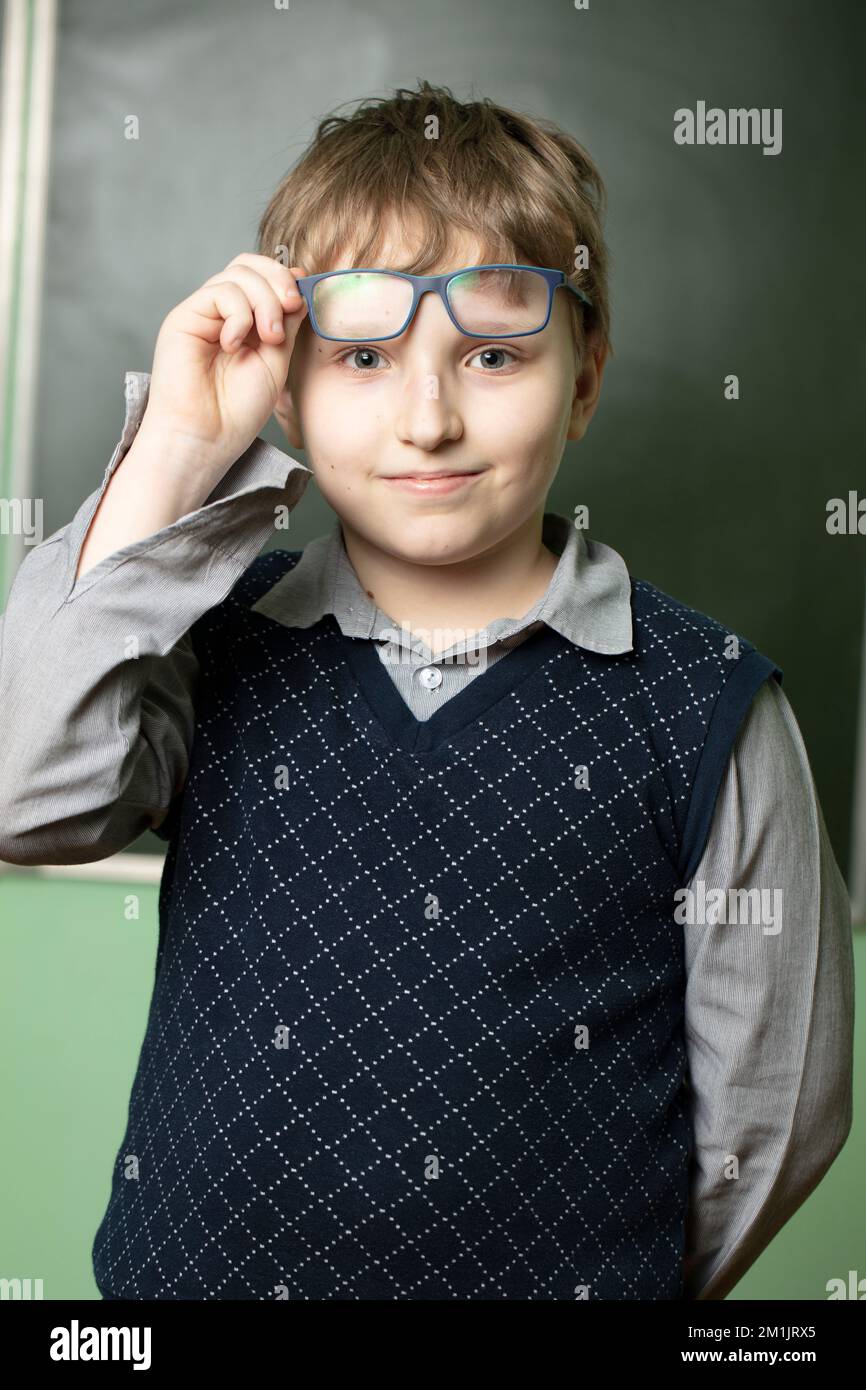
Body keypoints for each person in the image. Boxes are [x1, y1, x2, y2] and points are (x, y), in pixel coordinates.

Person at [0, 80, 853, 1301]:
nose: (427, 416)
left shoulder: (705, 706)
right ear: (285, 389)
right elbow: (25, 794)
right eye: (359, 356)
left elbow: (774, 1115)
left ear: (586, 375)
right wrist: (180, 448)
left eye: (494, 354)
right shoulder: (207, 636)